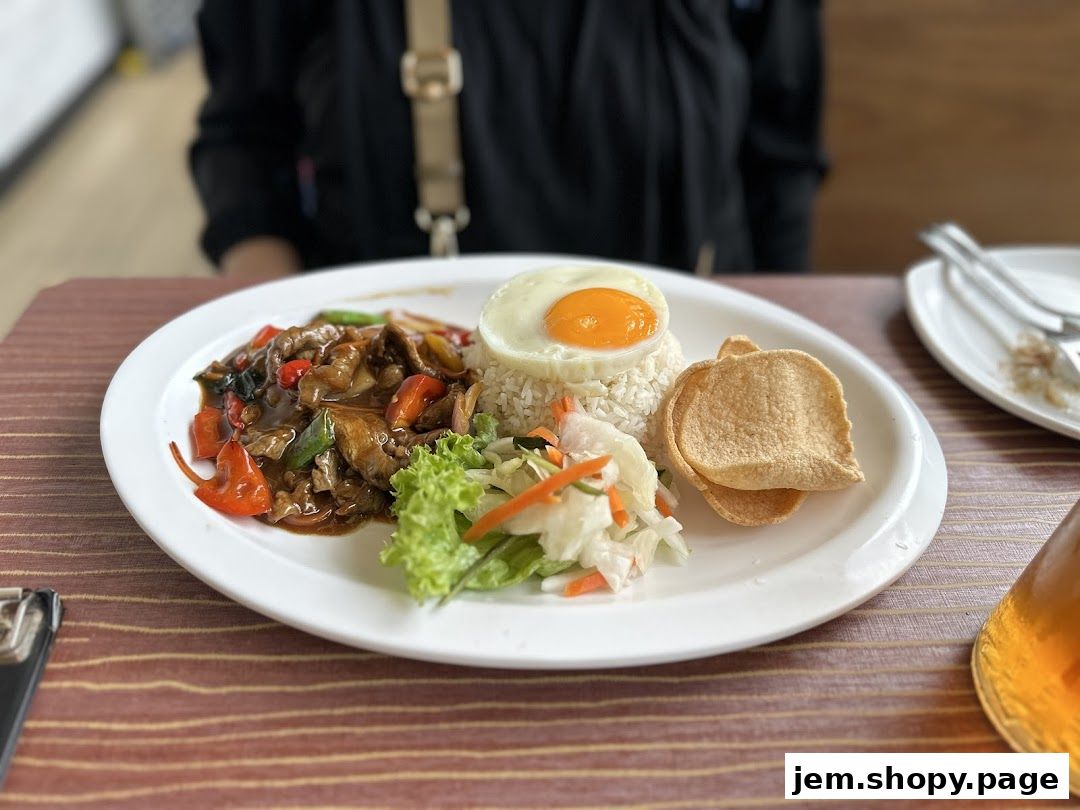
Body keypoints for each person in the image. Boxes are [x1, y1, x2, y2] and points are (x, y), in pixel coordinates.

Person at [190, 1, 825, 280]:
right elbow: (244, 139)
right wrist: (283, 354)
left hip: (685, 353)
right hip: (396, 377)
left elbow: (783, 153)